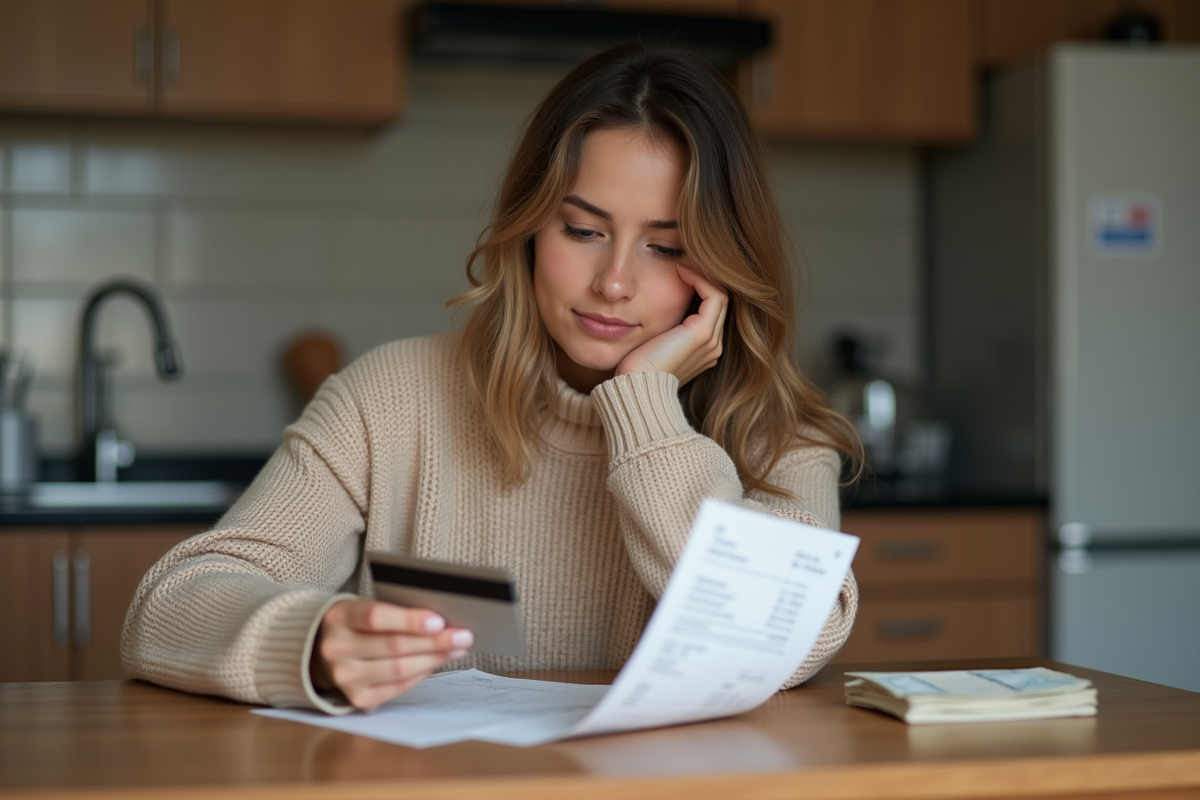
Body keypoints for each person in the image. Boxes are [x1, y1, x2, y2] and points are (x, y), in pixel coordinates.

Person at [122, 41, 862, 715]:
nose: (614, 283)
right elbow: (167, 609)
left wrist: (645, 409)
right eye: (583, 231)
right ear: (530, 228)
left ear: (724, 267)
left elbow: (790, 643)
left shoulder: (779, 432)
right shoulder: (391, 397)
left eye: (666, 248)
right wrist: (312, 640)